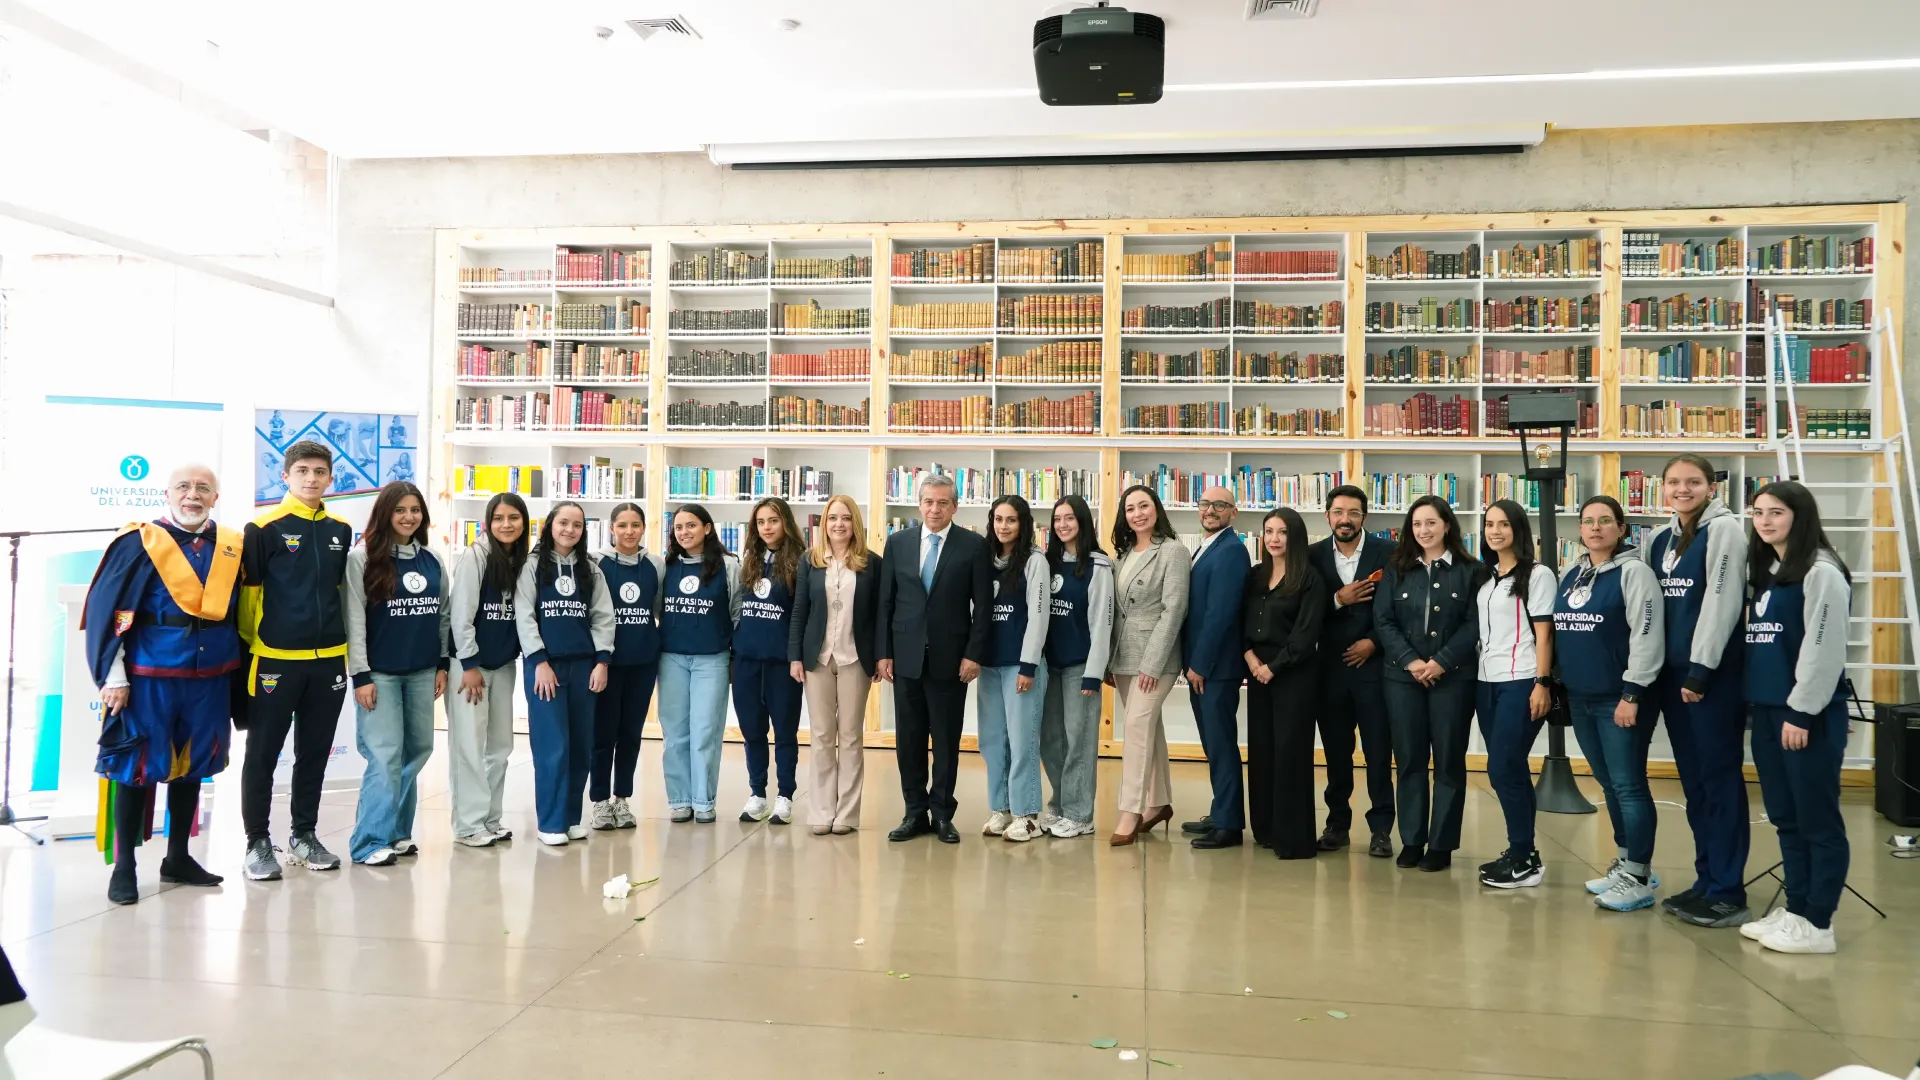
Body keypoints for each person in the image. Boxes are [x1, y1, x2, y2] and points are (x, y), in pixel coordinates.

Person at [83, 463, 241, 904]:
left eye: (203, 488)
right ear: (167, 493)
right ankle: (125, 867)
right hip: (148, 675)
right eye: (184, 487)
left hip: (210, 676)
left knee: (192, 766)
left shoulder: (230, 546)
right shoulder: (138, 542)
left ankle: (178, 858)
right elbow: (111, 611)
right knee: (137, 769)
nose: (193, 495)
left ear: (215, 497)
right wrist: (114, 676)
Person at [1739, 481, 1854, 954]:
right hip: (1767, 713)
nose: (1765, 521)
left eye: (1777, 513)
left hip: (1805, 716)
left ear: (1800, 516)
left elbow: (1822, 650)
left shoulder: (1822, 571)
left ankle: (1819, 922)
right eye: (1759, 512)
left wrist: (1802, 713)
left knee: (1816, 820)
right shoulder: (1770, 570)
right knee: (1785, 818)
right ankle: (1797, 908)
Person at [1638, 453, 1751, 928]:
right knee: (1695, 785)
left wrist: (1702, 668)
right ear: (1662, 488)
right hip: (1670, 678)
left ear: (1711, 487)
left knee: (1719, 780)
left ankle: (1729, 889)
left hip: (1708, 679)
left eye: (1693, 482)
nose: (1682, 489)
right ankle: (1706, 880)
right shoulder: (1660, 539)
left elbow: (1723, 602)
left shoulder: (1724, 531)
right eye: (1674, 482)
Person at [238, 439, 354, 881]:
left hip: (328, 661)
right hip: (274, 660)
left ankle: (303, 835)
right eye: (302, 471)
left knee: (315, 754)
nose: (311, 478)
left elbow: (342, 593)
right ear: (285, 476)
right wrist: (260, 643)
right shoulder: (261, 526)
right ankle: (256, 842)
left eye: (319, 471)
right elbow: (249, 599)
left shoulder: (341, 529)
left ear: (330, 477)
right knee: (263, 754)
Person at [1553, 495, 1665, 910]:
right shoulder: (1573, 573)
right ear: (1579, 530)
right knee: (1609, 784)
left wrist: (1632, 692)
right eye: (1587, 521)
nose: (1595, 528)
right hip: (1580, 698)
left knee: (1629, 786)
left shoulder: (1636, 574)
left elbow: (1647, 637)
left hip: (1620, 700)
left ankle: (1638, 874)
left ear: (1622, 528)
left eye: (1605, 521)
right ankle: (1627, 862)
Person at [877, 474, 993, 845]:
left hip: (950, 661)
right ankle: (914, 813)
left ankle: (942, 813)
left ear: (955, 506)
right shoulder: (898, 543)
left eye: (943, 502)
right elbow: (886, 603)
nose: (934, 509)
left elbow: (984, 607)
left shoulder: (973, 546)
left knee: (946, 741)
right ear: (919, 503)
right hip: (905, 660)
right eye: (928, 501)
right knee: (908, 742)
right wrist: (884, 653)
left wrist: (974, 654)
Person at [1373, 495, 1483, 872]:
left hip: (1454, 679)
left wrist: (1440, 662)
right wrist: (1413, 662)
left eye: (1431, 523)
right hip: (1402, 679)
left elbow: (1474, 624)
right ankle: (1413, 839)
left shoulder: (1471, 570)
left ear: (1447, 525)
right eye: (1417, 524)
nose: (1424, 530)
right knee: (1409, 760)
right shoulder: (1396, 568)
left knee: (1449, 761)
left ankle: (1441, 844)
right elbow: (1383, 621)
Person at [344, 481, 450, 866]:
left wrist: (442, 664)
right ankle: (369, 842)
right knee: (385, 756)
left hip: (422, 673)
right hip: (380, 675)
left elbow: (442, 617)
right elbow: (354, 620)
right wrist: (361, 675)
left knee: (418, 751)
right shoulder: (363, 558)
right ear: (385, 513)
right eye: (400, 510)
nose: (409, 517)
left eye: (415, 510)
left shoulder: (433, 560)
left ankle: (397, 833)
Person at [1472, 499, 1560, 889]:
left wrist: (1542, 682)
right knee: (1510, 767)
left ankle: (1523, 855)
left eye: (1504, 524)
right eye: (1490, 524)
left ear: (1518, 530)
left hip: (1523, 680)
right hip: (1486, 681)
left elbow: (1545, 633)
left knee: (1503, 767)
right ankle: (1524, 853)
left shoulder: (1537, 575)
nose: (1495, 531)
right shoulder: (1487, 577)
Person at [515, 501, 615, 845]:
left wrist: (602, 661)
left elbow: (603, 616)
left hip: (584, 667)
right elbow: (524, 615)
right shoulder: (532, 566)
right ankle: (551, 823)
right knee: (552, 746)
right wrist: (539, 661)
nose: (570, 530)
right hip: (546, 668)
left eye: (577, 525)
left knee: (580, 746)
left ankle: (572, 817)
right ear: (550, 525)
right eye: (563, 523)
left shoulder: (591, 569)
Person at [1307, 485, 1396, 857]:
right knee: (1336, 754)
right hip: (1329, 671)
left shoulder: (1388, 554)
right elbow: (1302, 612)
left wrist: (1374, 642)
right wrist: (1336, 600)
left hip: (1374, 669)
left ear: (1364, 517)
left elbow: (1399, 609)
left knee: (1378, 752)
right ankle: (1337, 825)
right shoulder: (1310, 557)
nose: (1345, 519)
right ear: (1327, 515)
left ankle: (1381, 831)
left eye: (1354, 512)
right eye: (1339, 512)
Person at [789, 494, 882, 835]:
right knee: (822, 735)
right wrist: (794, 656)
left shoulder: (872, 562)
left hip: (856, 658)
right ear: (823, 524)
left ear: (855, 523)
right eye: (832, 518)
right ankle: (821, 811)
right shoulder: (809, 561)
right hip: (818, 658)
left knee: (851, 736)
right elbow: (800, 610)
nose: (838, 524)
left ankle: (846, 814)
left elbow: (878, 615)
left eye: (845, 518)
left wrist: (880, 656)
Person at [1241, 507, 1328, 859]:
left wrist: (1272, 667)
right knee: (1261, 751)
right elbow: (1240, 623)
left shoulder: (1309, 578)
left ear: (1295, 538)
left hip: (1293, 674)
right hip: (1257, 670)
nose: (1274, 539)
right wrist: (1250, 659)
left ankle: (1293, 839)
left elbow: (1306, 635)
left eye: (1282, 532)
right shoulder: (1255, 575)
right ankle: (1265, 829)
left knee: (1290, 753)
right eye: (1269, 531)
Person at [1107, 485, 1189, 846]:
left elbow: (1174, 611)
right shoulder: (1123, 554)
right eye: (1130, 509)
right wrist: (1111, 660)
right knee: (1149, 729)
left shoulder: (1173, 551)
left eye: (1144, 506)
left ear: (1157, 509)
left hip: (1156, 658)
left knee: (1136, 730)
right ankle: (1160, 802)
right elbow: (1117, 612)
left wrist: (1153, 664)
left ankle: (1131, 809)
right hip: (1124, 656)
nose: (1137, 513)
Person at [447, 492, 529, 847]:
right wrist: (469, 663)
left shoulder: (522, 561)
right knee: (468, 745)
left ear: (524, 523)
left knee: (499, 747)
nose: (506, 525)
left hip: (503, 665)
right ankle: (468, 824)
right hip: (471, 668)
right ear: (487, 523)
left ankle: (490, 819)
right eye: (498, 518)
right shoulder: (475, 556)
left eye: (513, 518)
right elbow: (460, 615)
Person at [659, 504, 742, 824]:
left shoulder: (728, 565)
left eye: (691, 526)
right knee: (676, 733)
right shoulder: (665, 566)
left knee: (706, 731)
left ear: (707, 528)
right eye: (678, 527)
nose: (684, 533)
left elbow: (737, 611)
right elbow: (657, 607)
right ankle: (679, 799)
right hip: (671, 659)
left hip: (712, 659)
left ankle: (704, 801)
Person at [1180, 485, 1252, 850]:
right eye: (1205, 503)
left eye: (1219, 505)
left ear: (1232, 512)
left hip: (1215, 668)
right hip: (1202, 665)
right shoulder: (1208, 546)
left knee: (1221, 744)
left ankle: (1229, 825)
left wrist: (1200, 664)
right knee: (1213, 744)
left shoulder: (1233, 551)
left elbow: (1220, 614)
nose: (1210, 510)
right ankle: (1220, 810)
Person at [977, 495, 1051, 842]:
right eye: (998, 519)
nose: (1003, 526)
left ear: (1023, 524)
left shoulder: (1035, 561)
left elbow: (1039, 616)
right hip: (990, 664)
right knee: (993, 741)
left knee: (1023, 742)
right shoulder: (985, 560)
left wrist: (1029, 664)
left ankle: (1027, 814)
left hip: (1022, 666)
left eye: (1011, 520)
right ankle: (1001, 809)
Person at [1038, 495, 1113, 840]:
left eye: (1070, 518)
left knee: (1079, 741)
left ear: (1082, 522)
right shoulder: (1046, 562)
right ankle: (1060, 804)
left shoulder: (1097, 565)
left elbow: (1102, 622)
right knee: (1050, 741)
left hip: (1080, 666)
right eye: (1057, 519)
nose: (1063, 524)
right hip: (1047, 666)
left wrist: (1094, 673)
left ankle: (1081, 814)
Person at [590, 502, 661, 831]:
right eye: (622, 525)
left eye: (635, 525)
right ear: (612, 528)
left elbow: (659, 609)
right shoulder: (597, 563)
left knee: (631, 734)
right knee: (603, 733)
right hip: (608, 663)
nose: (629, 531)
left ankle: (622, 799)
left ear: (643, 528)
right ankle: (600, 801)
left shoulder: (655, 566)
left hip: (643, 663)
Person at [735, 497, 805, 825]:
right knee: (752, 731)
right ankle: (757, 793)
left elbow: (800, 615)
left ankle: (785, 795)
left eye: (773, 521)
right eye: (761, 522)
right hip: (747, 661)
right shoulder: (748, 560)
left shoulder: (801, 562)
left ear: (786, 523)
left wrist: (796, 656)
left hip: (782, 662)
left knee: (785, 732)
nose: (767, 527)